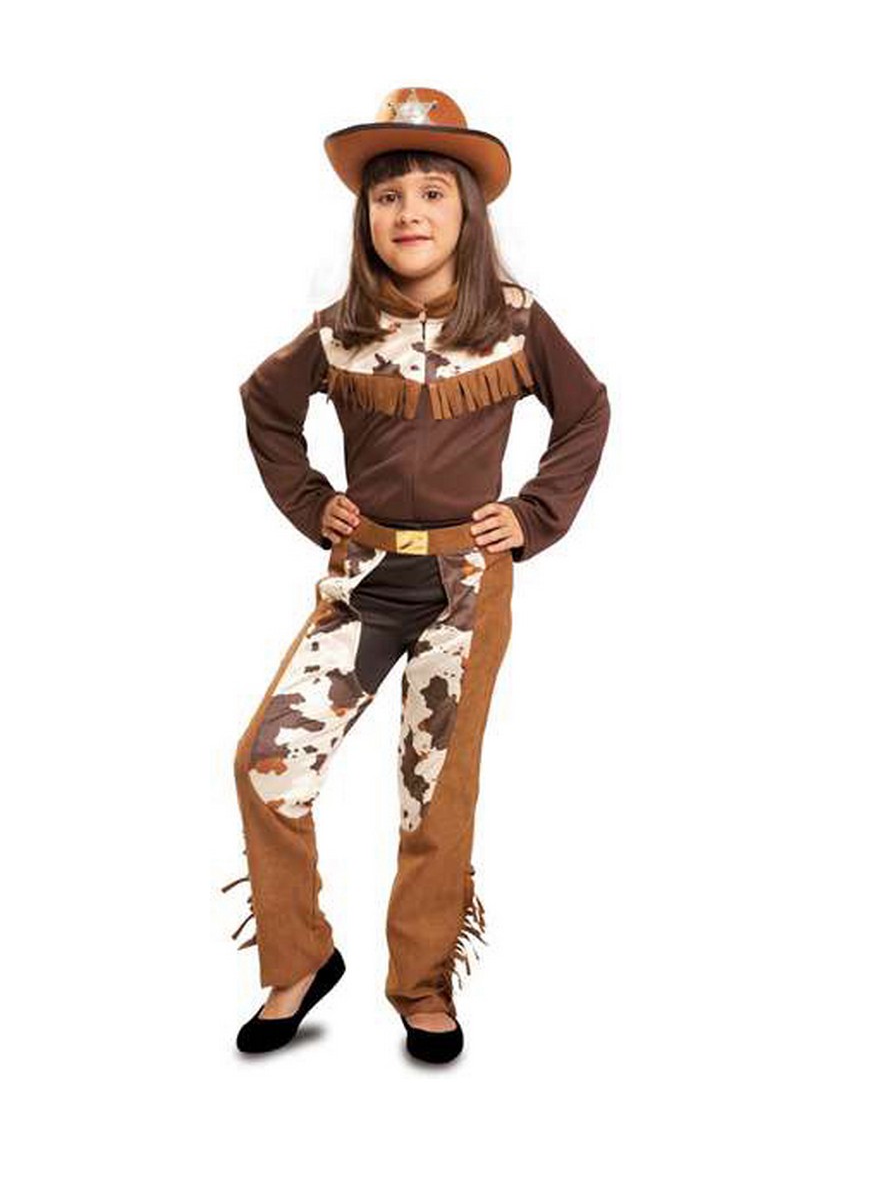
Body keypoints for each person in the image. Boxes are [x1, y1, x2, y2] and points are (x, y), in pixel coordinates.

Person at [222, 87, 611, 1063]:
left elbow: (586, 411)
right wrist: (312, 502)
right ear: (367, 217)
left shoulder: (515, 322)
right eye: (388, 196)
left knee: (433, 790)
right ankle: (299, 959)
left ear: (465, 213)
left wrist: (532, 515)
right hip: (364, 585)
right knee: (268, 764)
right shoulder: (337, 330)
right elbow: (265, 407)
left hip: (465, 590)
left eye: (432, 194)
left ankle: (424, 982)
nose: (409, 213)